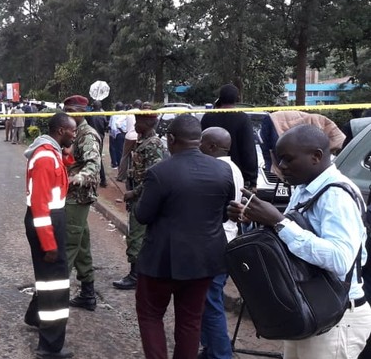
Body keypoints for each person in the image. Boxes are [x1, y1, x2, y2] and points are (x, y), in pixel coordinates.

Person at [228, 124, 371, 359]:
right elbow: (294, 240)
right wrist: (256, 216)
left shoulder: (336, 196)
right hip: (311, 309)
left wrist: (280, 223)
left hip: (336, 317)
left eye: (287, 160)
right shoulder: (306, 188)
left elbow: (340, 260)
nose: (281, 167)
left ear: (316, 156)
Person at [134, 115, 235, 359]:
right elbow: (222, 216)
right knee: (191, 321)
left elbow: (143, 216)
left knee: (150, 316)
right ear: (199, 140)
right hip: (203, 261)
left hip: (161, 261)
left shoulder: (159, 173)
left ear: (170, 139)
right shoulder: (223, 170)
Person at [23, 112, 77, 359]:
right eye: (72, 131)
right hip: (46, 221)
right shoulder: (46, 157)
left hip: (51, 218)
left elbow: (58, 176)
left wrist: (65, 157)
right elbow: (40, 205)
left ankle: (35, 317)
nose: (74, 135)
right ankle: (50, 347)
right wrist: (49, 244)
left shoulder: (52, 151)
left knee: (48, 277)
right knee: (55, 284)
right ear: (61, 131)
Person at [198, 127, 243, 359]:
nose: (198, 147)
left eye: (201, 143)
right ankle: (210, 348)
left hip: (217, 241)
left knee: (210, 301)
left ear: (212, 147)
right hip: (223, 238)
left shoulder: (219, 169)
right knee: (206, 301)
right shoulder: (231, 167)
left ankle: (220, 354)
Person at [112, 112, 167, 290]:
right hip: (138, 195)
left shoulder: (153, 145)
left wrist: (134, 193)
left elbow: (154, 177)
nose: (134, 125)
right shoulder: (143, 142)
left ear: (147, 123)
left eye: (138, 122)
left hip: (143, 198)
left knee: (136, 235)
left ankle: (136, 275)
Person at [61, 95, 102, 311]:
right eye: (65, 109)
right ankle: (88, 293)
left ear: (81, 111)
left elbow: (93, 165)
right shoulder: (73, 132)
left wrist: (75, 178)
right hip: (71, 195)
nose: (67, 113)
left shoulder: (87, 135)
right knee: (81, 244)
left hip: (76, 196)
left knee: (68, 243)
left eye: (70, 110)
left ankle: (53, 296)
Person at [200, 84, 257, 189]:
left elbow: (200, 146)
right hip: (235, 176)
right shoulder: (242, 119)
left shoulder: (207, 118)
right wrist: (251, 180)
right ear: (237, 99)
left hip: (208, 174)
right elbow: (248, 150)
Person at [85, 100, 109, 187]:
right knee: (97, 157)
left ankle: (94, 179)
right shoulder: (103, 115)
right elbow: (106, 127)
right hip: (100, 138)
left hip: (91, 137)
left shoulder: (90, 115)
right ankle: (103, 180)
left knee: (91, 157)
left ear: (93, 106)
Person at [117, 99, 142, 181]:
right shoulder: (141, 112)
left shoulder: (128, 112)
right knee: (137, 157)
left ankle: (121, 176)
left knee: (125, 156)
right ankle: (134, 176)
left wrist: (123, 131)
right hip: (138, 137)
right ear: (140, 106)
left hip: (129, 136)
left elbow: (118, 123)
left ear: (133, 105)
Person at [108, 102, 126, 169]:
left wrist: (112, 135)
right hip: (124, 133)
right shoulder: (126, 114)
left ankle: (115, 164)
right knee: (122, 149)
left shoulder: (114, 115)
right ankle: (121, 164)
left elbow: (112, 126)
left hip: (116, 134)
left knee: (113, 149)